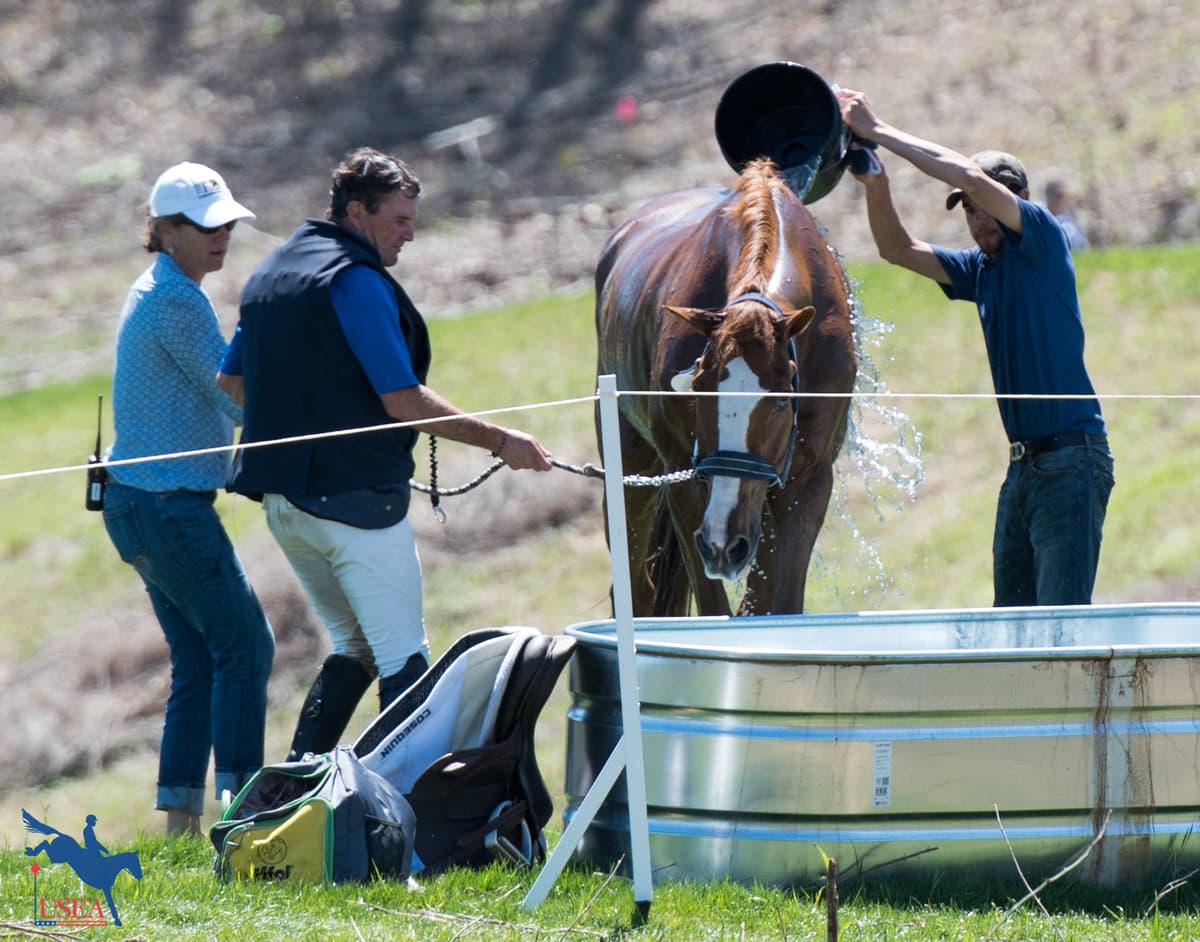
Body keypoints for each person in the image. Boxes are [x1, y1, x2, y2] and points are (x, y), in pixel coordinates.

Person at [218, 147, 553, 761]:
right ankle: (400, 806)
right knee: (405, 658)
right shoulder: (354, 277)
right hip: (354, 506)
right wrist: (501, 441)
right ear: (356, 212)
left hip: (285, 506)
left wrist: (302, 419)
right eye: (399, 219)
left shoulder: (268, 274)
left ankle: (291, 788)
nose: (410, 232)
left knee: (354, 649)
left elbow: (232, 384)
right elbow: (401, 398)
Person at [835, 88, 1115, 607]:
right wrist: (876, 181)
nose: (977, 216)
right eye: (968, 210)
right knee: (1009, 632)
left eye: (985, 203)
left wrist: (880, 130)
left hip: (1073, 461)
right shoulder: (979, 269)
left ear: (1019, 199)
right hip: (1024, 469)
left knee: (1061, 632)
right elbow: (897, 249)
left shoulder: (1043, 238)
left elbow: (966, 175)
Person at [102, 162, 275, 836]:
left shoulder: (160, 288)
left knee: (201, 657)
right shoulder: (177, 298)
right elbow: (232, 394)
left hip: (139, 505)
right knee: (246, 646)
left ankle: (182, 826)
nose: (222, 234)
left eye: (227, 221)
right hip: (167, 506)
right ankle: (241, 824)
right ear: (166, 230)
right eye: (205, 225)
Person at [1044, 179, 1091, 250]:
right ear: (1048, 196)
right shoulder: (1041, 218)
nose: (1061, 200)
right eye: (1058, 195)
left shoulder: (1070, 219)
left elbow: (1083, 245)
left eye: (1064, 195)